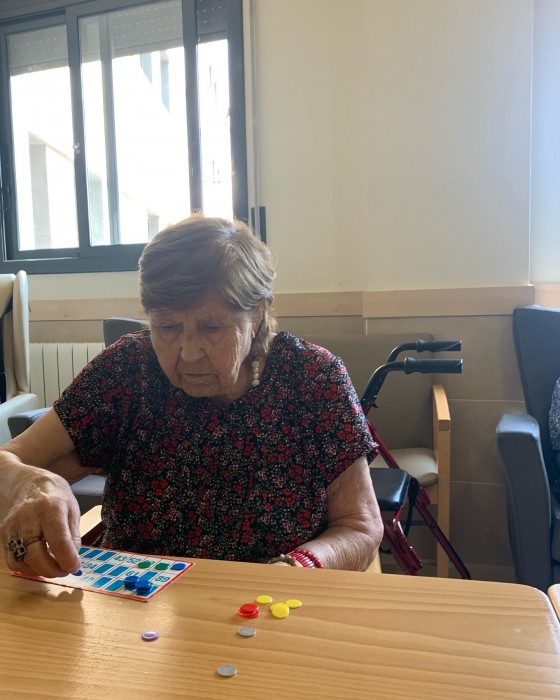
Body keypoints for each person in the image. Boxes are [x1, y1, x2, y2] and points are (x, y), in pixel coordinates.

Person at [0, 215, 383, 578]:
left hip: (269, 605)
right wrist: (29, 483)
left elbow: (360, 526)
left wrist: (295, 569)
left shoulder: (313, 378)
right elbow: (7, 459)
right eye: (166, 326)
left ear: (256, 316)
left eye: (211, 327)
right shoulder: (128, 368)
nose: (188, 352)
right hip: (137, 602)